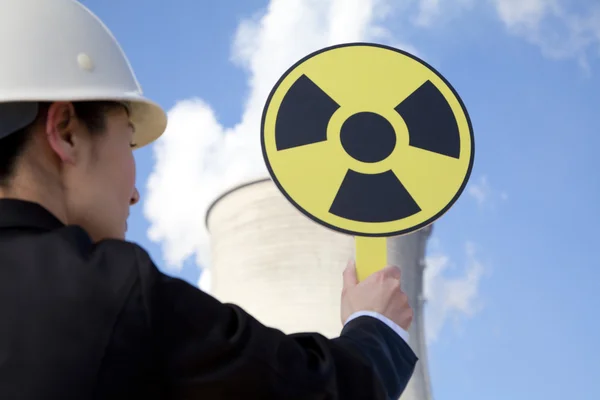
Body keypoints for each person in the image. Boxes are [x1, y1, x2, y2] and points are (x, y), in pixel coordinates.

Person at [0, 0, 418, 399]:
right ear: (67, 131)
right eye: (129, 140)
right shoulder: (112, 295)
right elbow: (314, 389)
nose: (134, 194)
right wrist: (376, 330)